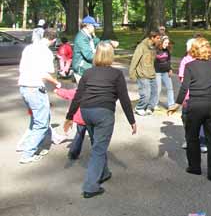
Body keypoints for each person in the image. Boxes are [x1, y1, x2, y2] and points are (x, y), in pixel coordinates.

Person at [64, 41, 137, 198]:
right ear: (111, 55)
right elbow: (124, 98)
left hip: (86, 111)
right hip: (103, 113)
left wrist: (70, 116)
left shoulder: (88, 73)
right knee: (98, 148)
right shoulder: (116, 74)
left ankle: (103, 173)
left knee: (97, 143)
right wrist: (132, 120)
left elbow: (78, 96)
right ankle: (90, 187)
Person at [168, 38, 211, 183]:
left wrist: (177, 104)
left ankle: (194, 167)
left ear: (194, 50)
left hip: (196, 105)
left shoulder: (190, 66)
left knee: (192, 137)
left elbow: (184, 87)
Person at [18, 28, 62, 164]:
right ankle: (28, 152)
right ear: (54, 40)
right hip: (35, 88)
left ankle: (34, 143)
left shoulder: (29, 48)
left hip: (24, 86)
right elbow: (44, 73)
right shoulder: (46, 53)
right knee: (41, 123)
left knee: (38, 118)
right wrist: (57, 83)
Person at [179, 37, 207, 153]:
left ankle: (202, 142)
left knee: (201, 120)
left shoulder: (203, 60)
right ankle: (189, 139)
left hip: (201, 96)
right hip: (188, 96)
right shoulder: (185, 60)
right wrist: (184, 98)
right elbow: (182, 80)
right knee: (186, 118)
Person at [72, 16, 119, 83]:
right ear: (88, 26)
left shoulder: (88, 35)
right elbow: (89, 56)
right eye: (94, 26)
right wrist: (103, 58)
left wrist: (110, 42)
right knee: (84, 92)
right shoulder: (81, 38)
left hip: (87, 68)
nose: (95, 28)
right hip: (82, 69)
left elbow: (98, 43)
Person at [129, 31, 160, 116]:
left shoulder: (153, 47)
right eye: (157, 38)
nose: (159, 40)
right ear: (152, 38)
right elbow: (135, 59)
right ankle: (139, 108)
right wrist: (132, 73)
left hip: (151, 73)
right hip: (142, 74)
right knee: (145, 94)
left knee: (154, 93)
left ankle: (149, 107)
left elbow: (152, 61)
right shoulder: (141, 46)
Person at [55, 87, 91, 159]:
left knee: (79, 135)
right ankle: (97, 154)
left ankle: (73, 154)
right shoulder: (95, 91)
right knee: (95, 137)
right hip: (91, 118)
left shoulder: (76, 91)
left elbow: (65, 93)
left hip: (80, 119)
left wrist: (57, 90)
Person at [154, 36, 175, 109]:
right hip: (157, 72)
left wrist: (170, 69)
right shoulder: (156, 50)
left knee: (170, 88)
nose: (167, 44)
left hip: (166, 72)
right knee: (158, 88)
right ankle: (154, 104)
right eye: (165, 43)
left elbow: (168, 60)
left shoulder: (167, 50)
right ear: (161, 42)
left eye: (168, 43)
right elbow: (152, 61)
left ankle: (171, 104)